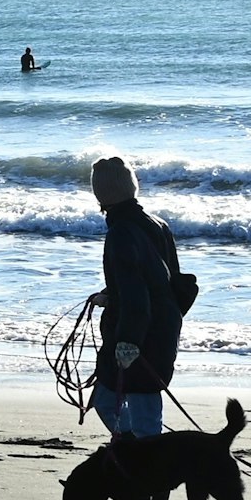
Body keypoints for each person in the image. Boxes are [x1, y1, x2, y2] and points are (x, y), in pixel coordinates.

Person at [88, 153, 186, 464]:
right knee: (106, 401)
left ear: (102, 195)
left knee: (143, 419)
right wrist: (110, 295)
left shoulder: (120, 233)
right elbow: (165, 282)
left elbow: (136, 294)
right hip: (160, 329)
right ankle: (133, 466)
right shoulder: (157, 224)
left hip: (138, 336)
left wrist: (128, 342)